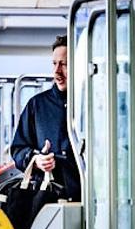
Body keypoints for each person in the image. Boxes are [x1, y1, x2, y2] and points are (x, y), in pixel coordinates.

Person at [10, 35, 81, 203]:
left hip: (89, 200)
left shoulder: (94, 105)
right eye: (54, 64)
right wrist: (36, 160)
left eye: (64, 64)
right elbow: (18, 149)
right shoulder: (37, 105)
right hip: (49, 200)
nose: (57, 71)